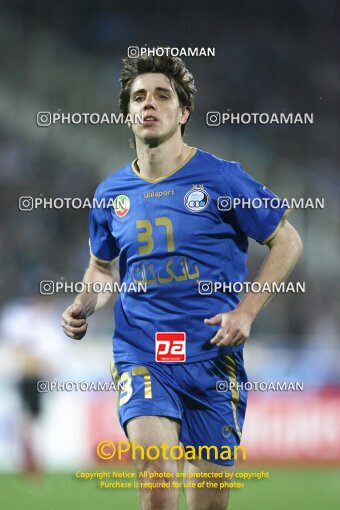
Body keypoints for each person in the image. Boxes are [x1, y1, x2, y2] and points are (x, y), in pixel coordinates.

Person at [61, 53, 303, 510]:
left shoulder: (221, 178)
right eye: (138, 97)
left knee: (208, 504)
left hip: (212, 355)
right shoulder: (110, 194)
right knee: (157, 482)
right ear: (127, 114)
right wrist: (83, 306)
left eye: (161, 95)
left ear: (183, 112)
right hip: (141, 350)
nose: (148, 104)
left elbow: (287, 240)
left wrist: (246, 311)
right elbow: (101, 269)